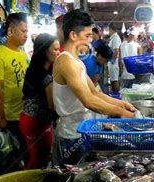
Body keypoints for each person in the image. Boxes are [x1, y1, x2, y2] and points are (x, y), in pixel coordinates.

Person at [52, 10, 136, 165]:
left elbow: (94, 92)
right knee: (76, 181)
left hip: (82, 130)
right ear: (73, 36)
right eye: (87, 36)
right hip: (72, 135)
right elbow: (88, 101)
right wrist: (121, 113)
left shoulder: (76, 61)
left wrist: (121, 104)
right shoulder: (66, 62)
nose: (90, 41)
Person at [0, 12, 29, 166]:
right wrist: (1, 117)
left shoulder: (23, 54)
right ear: (11, 30)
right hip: (12, 117)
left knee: (28, 154)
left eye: (27, 31)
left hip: (26, 113)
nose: (26, 35)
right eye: (23, 31)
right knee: (15, 156)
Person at [20, 34, 60, 169]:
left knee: (36, 158)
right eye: (55, 50)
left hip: (27, 119)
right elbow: (52, 106)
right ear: (44, 51)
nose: (58, 53)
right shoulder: (46, 76)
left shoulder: (33, 69)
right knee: (39, 161)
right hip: (36, 123)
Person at [107, 24, 122, 92]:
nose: (108, 32)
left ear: (111, 29)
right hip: (111, 62)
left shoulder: (116, 38)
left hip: (113, 63)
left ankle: (117, 96)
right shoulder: (113, 38)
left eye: (108, 30)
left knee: (114, 80)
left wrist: (112, 60)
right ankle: (115, 95)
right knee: (112, 80)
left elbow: (116, 50)